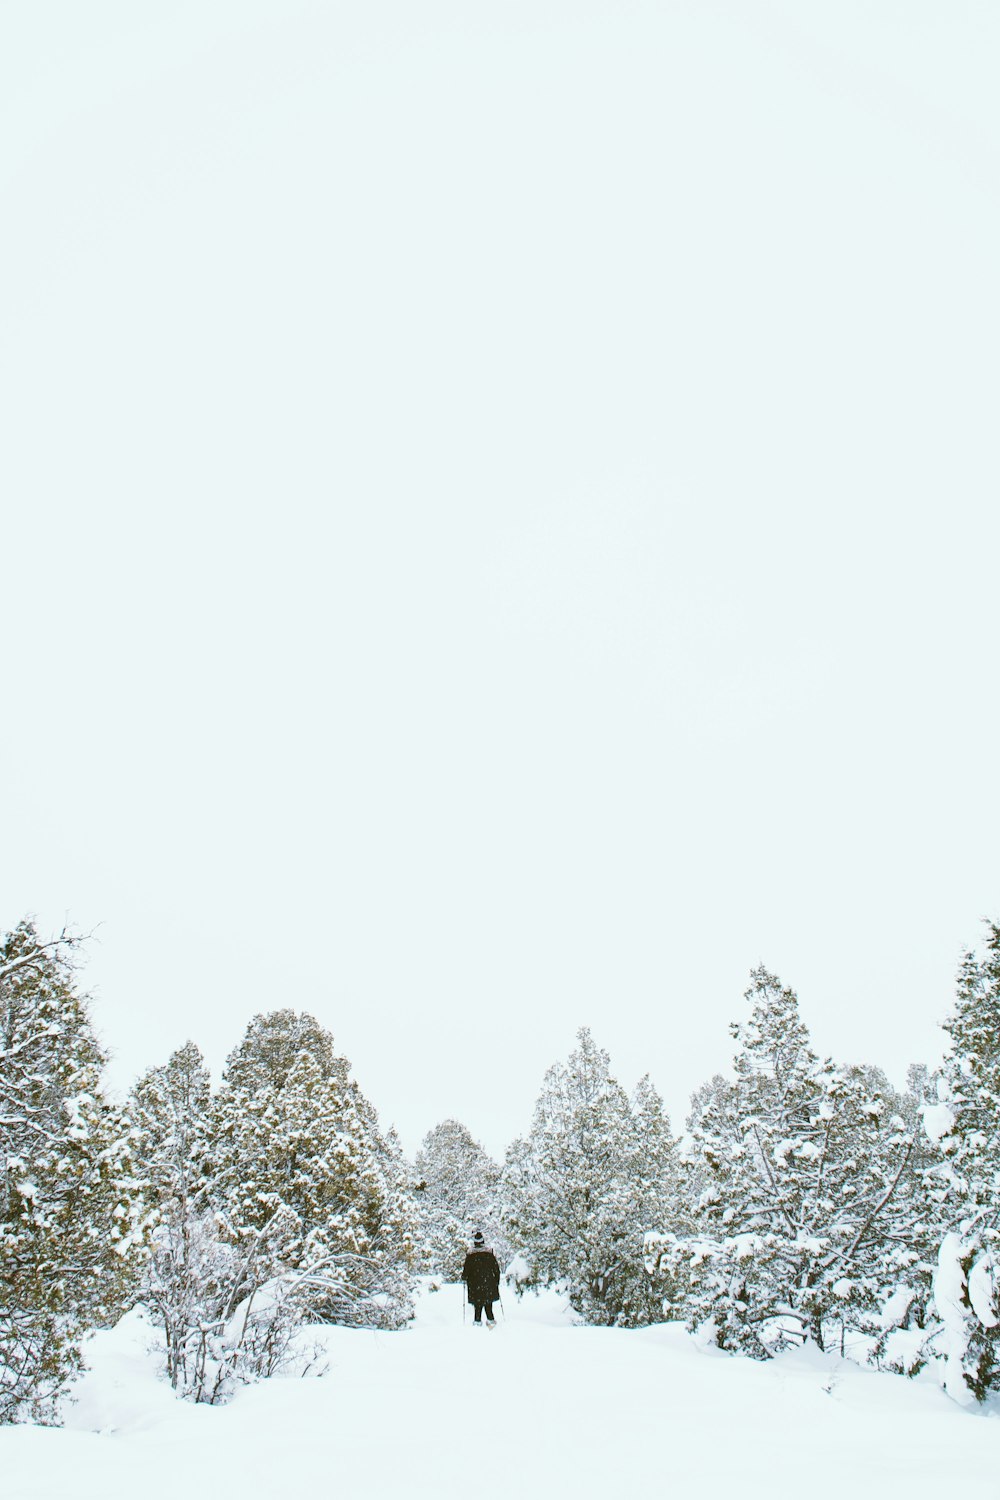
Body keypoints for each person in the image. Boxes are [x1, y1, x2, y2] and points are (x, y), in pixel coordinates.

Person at [461, 1229, 501, 1327]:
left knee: (477, 1306)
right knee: (488, 1305)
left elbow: (466, 1272)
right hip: (488, 1284)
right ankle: (491, 1323)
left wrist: (465, 1277)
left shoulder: (470, 1255)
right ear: (483, 1241)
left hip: (475, 1285)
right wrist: (496, 1281)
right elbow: (496, 1270)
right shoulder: (489, 1254)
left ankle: (477, 1324)